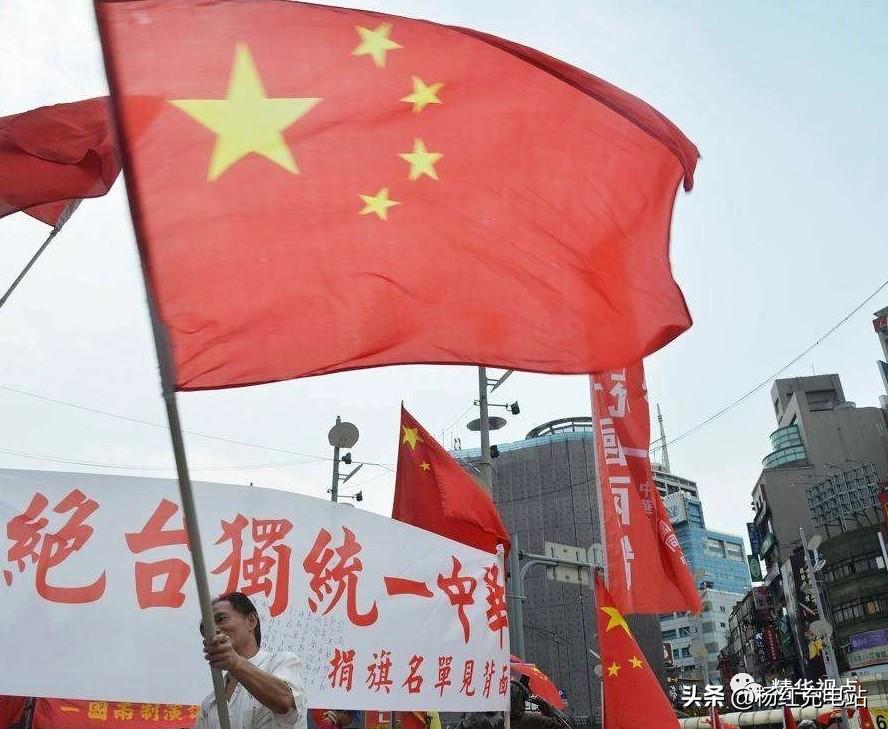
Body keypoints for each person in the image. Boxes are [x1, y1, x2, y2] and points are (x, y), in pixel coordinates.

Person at [196, 591, 307, 729]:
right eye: (206, 629)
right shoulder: (210, 704)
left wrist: (235, 663)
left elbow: (284, 701)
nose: (213, 630)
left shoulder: (281, 662)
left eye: (221, 619)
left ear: (251, 620)